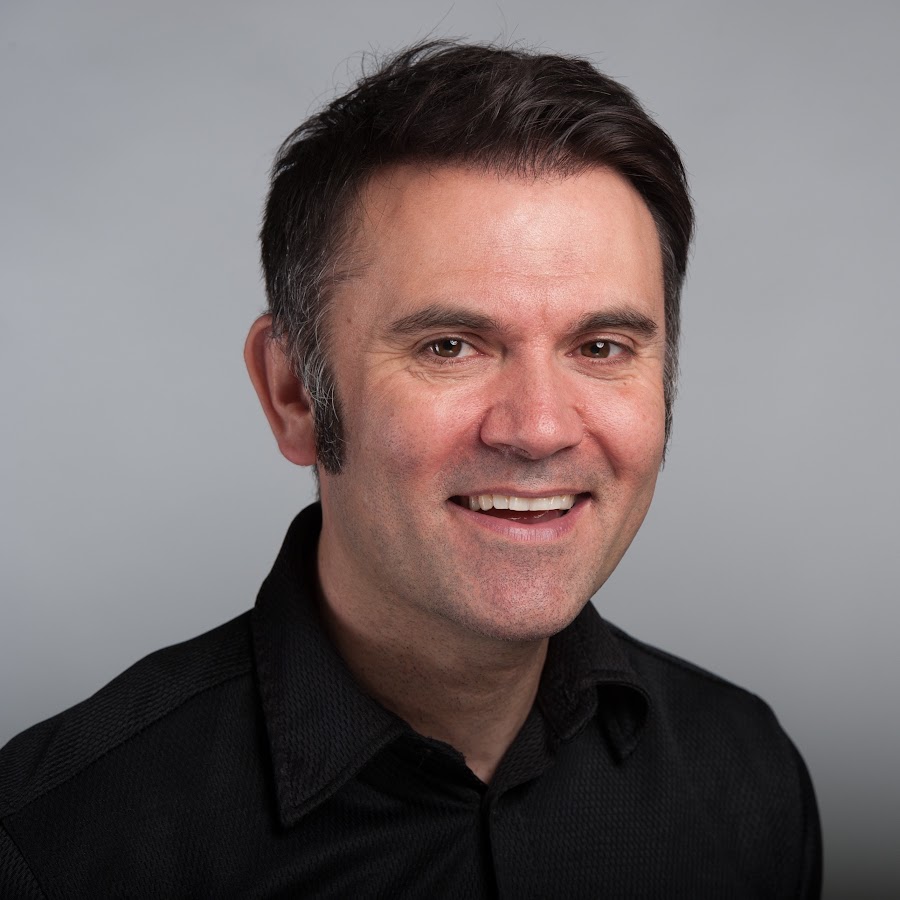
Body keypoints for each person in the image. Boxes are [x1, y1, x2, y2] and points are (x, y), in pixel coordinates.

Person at [0, 41, 821, 898]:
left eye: (601, 347)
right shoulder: (55, 848)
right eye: (449, 346)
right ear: (294, 394)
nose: (539, 429)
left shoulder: (747, 778)